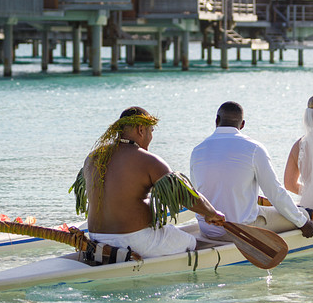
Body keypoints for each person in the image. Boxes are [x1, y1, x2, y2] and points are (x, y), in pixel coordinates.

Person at [71, 106, 226, 257]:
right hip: (134, 240)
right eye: (151, 131)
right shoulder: (147, 160)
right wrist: (211, 213)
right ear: (141, 129)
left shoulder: (92, 158)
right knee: (192, 242)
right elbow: (184, 194)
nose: (151, 137)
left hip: (96, 237)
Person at [190, 101, 313, 241]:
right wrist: (302, 222)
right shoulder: (254, 148)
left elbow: (196, 194)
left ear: (217, 120)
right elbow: (274, 191)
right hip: (242, 228)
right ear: (242, 124)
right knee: (303, 214)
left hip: (208, 230)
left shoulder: (197, 150)